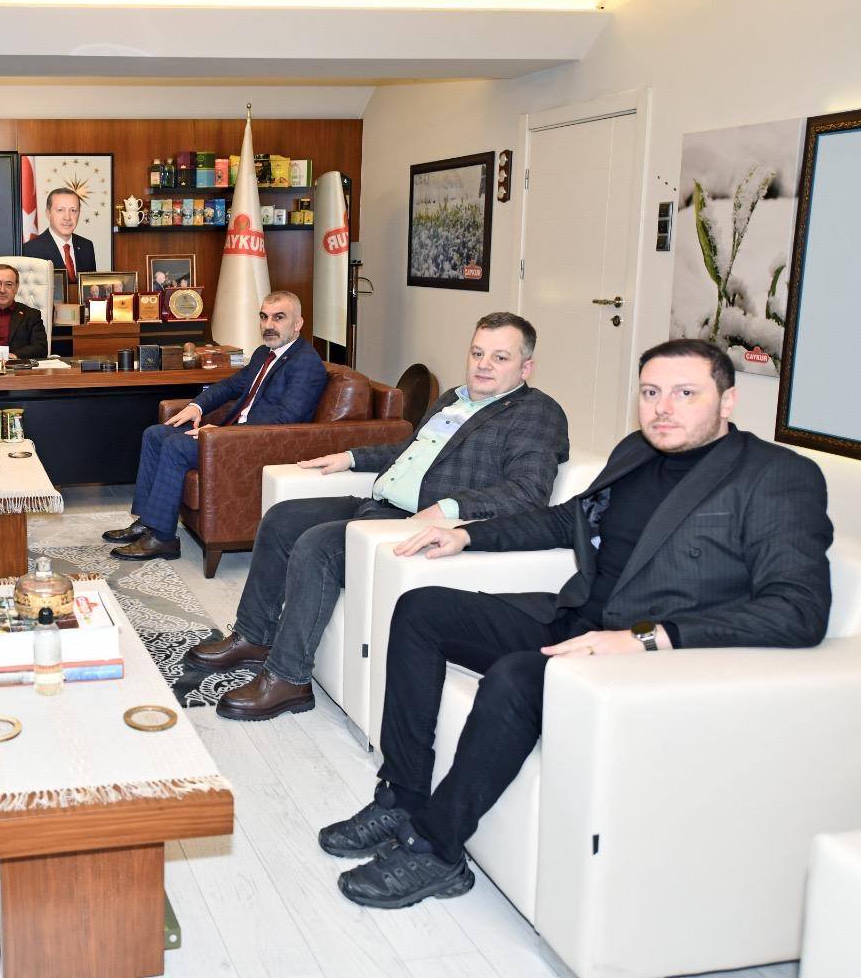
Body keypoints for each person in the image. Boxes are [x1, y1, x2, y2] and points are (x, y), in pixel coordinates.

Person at [324, 338, 832, 910]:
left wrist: (646, 639)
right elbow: (568, 520)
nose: (663, 408)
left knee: (516, 678)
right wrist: (467, 534)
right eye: (651, 393)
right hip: (578, 622)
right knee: (423, 609)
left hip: (650, 659)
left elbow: (799, 610)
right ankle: (403, 797)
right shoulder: (637, 452)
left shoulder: (776, 476)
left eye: (686, 393)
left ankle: (437, 850)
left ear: (728, 400)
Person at [189, 312, 568, 721]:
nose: (483, 365)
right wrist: (351, 457)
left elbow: (528, 491)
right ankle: (253, 637)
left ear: (526, 367)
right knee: (283, 518)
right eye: (477, 353)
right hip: (380, 505)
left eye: (500, 357)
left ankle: (287, 679)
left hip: (415, 524)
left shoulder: (536, 413)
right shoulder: (453, 399)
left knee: (318, 546)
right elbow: (410, 450)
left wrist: (449, 508)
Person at [105, 291, 327, 562]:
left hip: (257, 444)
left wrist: (219, 434)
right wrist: (196, 406)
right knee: (155, 434)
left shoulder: (306, 363)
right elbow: (231, 385)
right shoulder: (264, 354)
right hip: (232, 436)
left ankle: (162, 539)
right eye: (264, 317)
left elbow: (285, 421)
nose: (268, 325)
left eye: (278, 318)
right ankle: (148, 522)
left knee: (175, 446)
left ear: (298, 323)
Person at [22, 187, 96, 281]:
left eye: (73, 210)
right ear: (48, 213)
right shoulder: (30, 250)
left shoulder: (87, 246)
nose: (67, 217)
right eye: (60, 210)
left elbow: (89, 287)